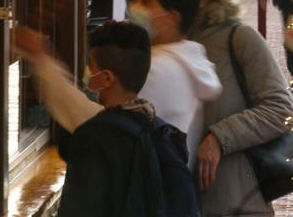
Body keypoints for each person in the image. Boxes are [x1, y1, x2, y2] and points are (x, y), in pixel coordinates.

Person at [15, 0, 223, 167]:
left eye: (146, 1)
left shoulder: (159, 70)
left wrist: (42, 60)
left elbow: (94, 122)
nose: (136, 6)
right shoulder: (186, 60)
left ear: (171, 18)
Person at [158, 0, 293, 216]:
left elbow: (280, 108)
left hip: (234, 202)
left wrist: (220, 137)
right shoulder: (160, 45)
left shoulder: (239, 38)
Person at [55, 21, 200, 217]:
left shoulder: (94, 137)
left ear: (106, 78)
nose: (87, 73)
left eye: (90, 66)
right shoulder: (162, 132)